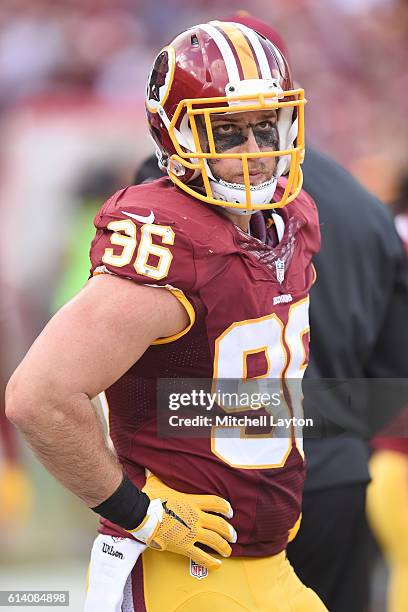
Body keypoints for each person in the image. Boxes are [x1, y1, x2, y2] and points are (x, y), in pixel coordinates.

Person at [6, 21, 327, 611]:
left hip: (271, 565)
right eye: (226, 133)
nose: (256, 152)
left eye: (265, 126)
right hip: (183, 573)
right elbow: (38, 396)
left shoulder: (292, 219)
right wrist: (142, 515)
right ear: (173, 136)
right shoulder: (169, 241)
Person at [221, 13, 408, 612]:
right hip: (337, 470)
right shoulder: (365, 205)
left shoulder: (177, 200)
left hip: (222, 481)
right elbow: (391, 376)